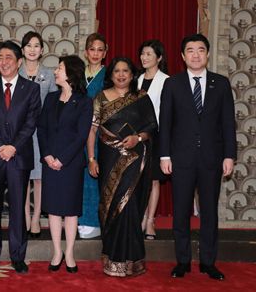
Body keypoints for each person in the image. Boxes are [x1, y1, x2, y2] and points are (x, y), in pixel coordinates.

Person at [160, 34, 236, 280]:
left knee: (209, 213)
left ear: (207, 54)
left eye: (200, 50)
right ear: (183, 56)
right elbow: (166, 123)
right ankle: (182, 261)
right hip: (181, 159)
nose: (195, 54)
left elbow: (227, 123)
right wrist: (164, 155)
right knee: (181, 211)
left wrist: (229, 155)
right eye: (190, 50)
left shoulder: (221, 84)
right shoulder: (173, 84)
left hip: (212, 159)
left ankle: (208, 262)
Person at [88, 57, 157, 277]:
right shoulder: (100, 98)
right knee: (110, 207)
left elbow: (152, 127)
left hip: (135, 161)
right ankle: (113, 259)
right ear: (111, 75)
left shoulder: (141, 97)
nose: (121, 74)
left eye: (125, 71)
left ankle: (132, 260)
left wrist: (138, 138)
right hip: (109, 161)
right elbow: (92, 131)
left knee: (130, 206)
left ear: (132, 74)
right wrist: (91, 159)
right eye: (116, 71)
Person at [0, 40, 41, 274]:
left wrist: (13, 147)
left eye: (8, 58)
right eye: (0, 58)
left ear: (19, 62)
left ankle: (18, 256)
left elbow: (31, 122)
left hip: (19, 156)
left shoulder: (31, 88)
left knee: (17, 208)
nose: (3, 62)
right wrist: (1, 146)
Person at [38, 55, 92, 273]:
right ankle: (56, 251)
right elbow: (41, 129)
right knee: (52, 209)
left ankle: (69, 252)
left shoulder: (84, 101)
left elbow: (81, 135)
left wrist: (62, 159)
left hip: (70, 164)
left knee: (70, 210)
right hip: (50, 161)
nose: (55, 72)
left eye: (59, 68)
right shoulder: (50, 99)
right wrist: (48, 156)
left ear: (71, 73)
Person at [19, 31, 57, 238]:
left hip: (42, 132)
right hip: (21, 132)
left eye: (36, 45)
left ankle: (36, 219)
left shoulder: (49, 74)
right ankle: (24, 217)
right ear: (23, 49)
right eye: (29, 45)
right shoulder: (16, 72)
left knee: (40, 178)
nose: (32, 49)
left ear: (42, 50)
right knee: (22, 176)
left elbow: (52, 106)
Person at [137, 39, 170, 240]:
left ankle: (150, 221)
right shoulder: (136, 79)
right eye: (142, 53)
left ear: (158, 57)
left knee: (154, 180)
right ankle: (139, 218)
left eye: (149, 54)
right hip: (136, 135)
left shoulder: (167, 81)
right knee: (139, 180)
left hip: (157, 135)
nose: (144, 57)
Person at [79, 33, 108, 239]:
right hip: (78, 132)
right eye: (92, 49)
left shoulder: (108, 76)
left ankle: (95, 221)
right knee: (78, 178)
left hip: (101, 133)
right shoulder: (78, 74)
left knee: (96, 175)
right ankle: (80, 218)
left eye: (100, 50)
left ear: (105, 53)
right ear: (86, 52)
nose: (96, 53)